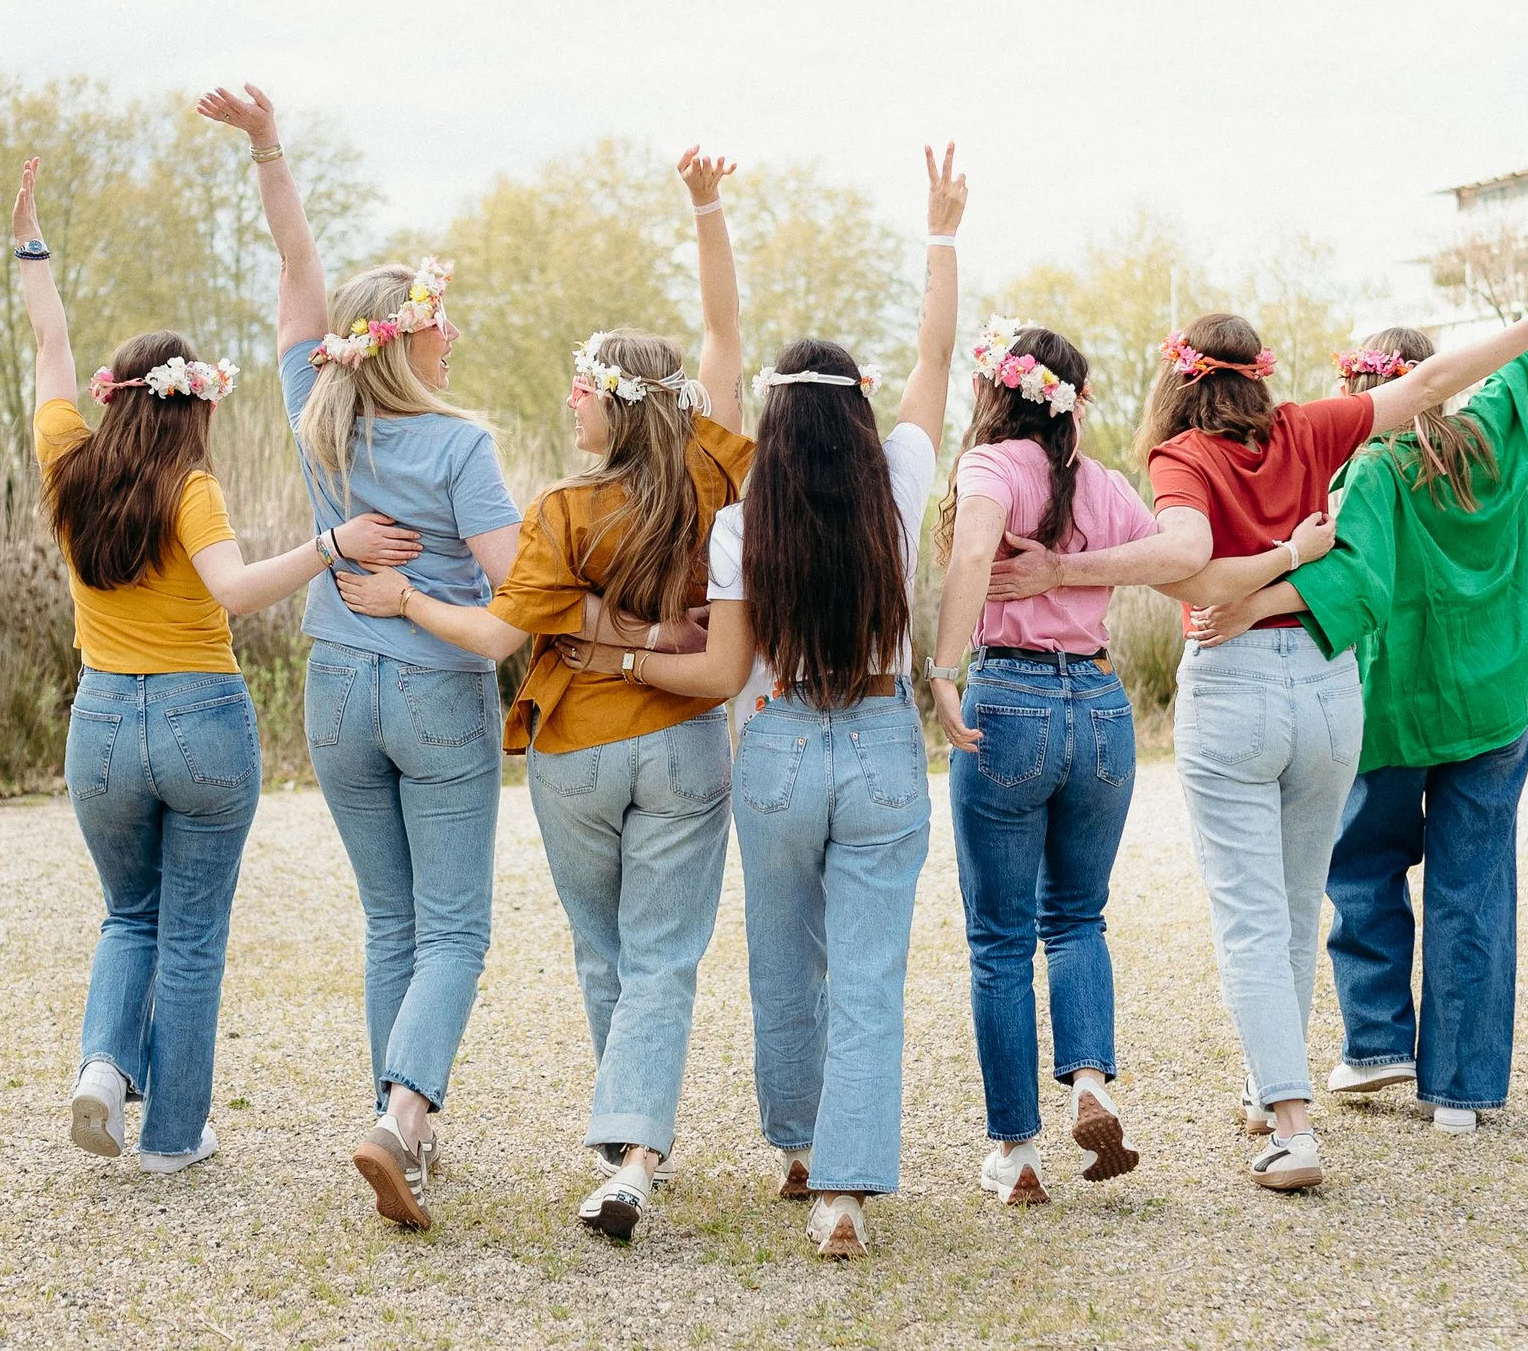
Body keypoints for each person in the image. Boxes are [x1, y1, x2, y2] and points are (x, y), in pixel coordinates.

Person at [990, 250, 1528, 1193]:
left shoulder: (1181, 456)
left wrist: (1060, 571)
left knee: (1252, 918)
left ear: (1178, 383)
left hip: (1238, 687)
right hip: (1330, 692)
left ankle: (1292, 1127)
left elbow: (1191, 563)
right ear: (1262, 376)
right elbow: (1441, 381)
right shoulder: (1310, 429)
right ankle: (1269, 1085)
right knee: (1290, 910)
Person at [335, 147, 748, 1243]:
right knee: (663, 955)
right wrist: (707, 210)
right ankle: (631, 1154)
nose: (570, 396)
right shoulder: (710, 474)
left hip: (572, 750)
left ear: (613, 402)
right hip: (682, 745)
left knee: (606, 951)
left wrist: (404, 600)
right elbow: (722, 340)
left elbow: (493, 631)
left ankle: (625, 1150)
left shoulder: (564, 507)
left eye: (582, 383)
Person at [560, 143, 964, 1259]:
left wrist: (625, 653)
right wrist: (940, 232)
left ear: (776, 428)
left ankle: (796, 1145)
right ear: (857, 416)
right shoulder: (896, 484)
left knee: (787, 963)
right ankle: (842, 1192)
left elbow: (727, 671)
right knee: (871, 978)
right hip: (883, 736)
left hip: (780, 742)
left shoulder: (742, 523)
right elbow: (935, 353)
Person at [1196, 208, 1528, 1139]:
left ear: (1363, 390)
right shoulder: (1493, 433)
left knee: (1359, 865)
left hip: (1394, 715)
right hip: (1494, 706)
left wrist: (1247, 605)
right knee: (1474, 886)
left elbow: (1347, 585)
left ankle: (1378, 1039)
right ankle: (1465, 1093)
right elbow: (1525, 354)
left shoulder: (1374, 475)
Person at [13, 156, 419, 1176]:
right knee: (190, 934)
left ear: (118, 400)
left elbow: (49, 340)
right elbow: (236, 592)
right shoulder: (190, 486)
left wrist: (32, 246)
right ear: (191, 406)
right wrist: (334, 547)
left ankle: (103, 1067)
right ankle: (173, 1139)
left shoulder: (68, 459)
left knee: (128, 913)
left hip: (100, 721)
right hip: (199, 721)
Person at [198, 86, 522, 1231]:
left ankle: (407, 1133)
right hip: (435, 691)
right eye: (442, 320)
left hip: (333, 691)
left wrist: (268, 151)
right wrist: (440, 597)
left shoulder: (315, 420)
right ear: (412, 337)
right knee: (456, 928)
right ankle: (397, 1120)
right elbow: (517, 586)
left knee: (391, 921)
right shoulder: (461, 443)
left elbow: (295, 273)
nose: (454, 334)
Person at [933, 321, 1331, 1206]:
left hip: (1013, 700)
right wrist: (1288, 555)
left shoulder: (992, 467)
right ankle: (1089, 1082)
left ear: (995, 394)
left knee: (1000, 937)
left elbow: (971, 549)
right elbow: (1181, 562)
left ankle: (1018, 1151)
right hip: (1103, 712)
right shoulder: (1103, 484)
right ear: (1075, 402)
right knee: (1077, 916)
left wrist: (943, 668)